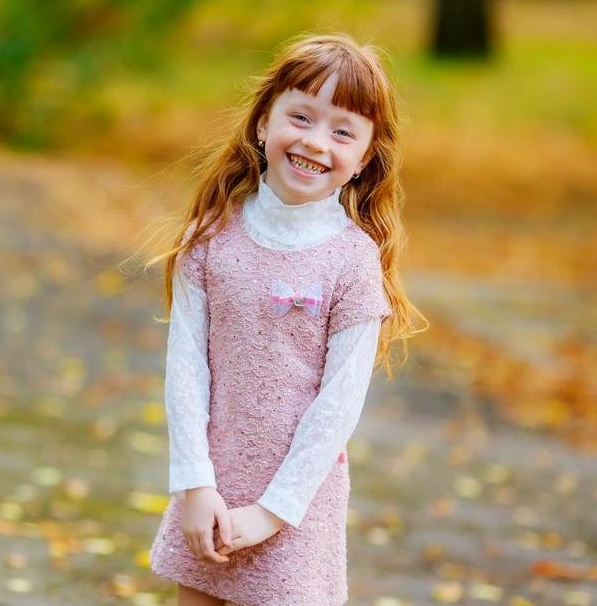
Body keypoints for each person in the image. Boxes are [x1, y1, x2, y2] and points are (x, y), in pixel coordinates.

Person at [147, 33, 427, 606]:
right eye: (300, 116)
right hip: (212, 491)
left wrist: (274, 512)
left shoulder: (353, 263)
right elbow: (185, 373)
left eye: (342, 130)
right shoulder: (211, 239)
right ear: (262, 125)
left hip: (296, 508)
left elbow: (338, 406)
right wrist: (195, 486)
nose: (315, 141)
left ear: (364, 159)